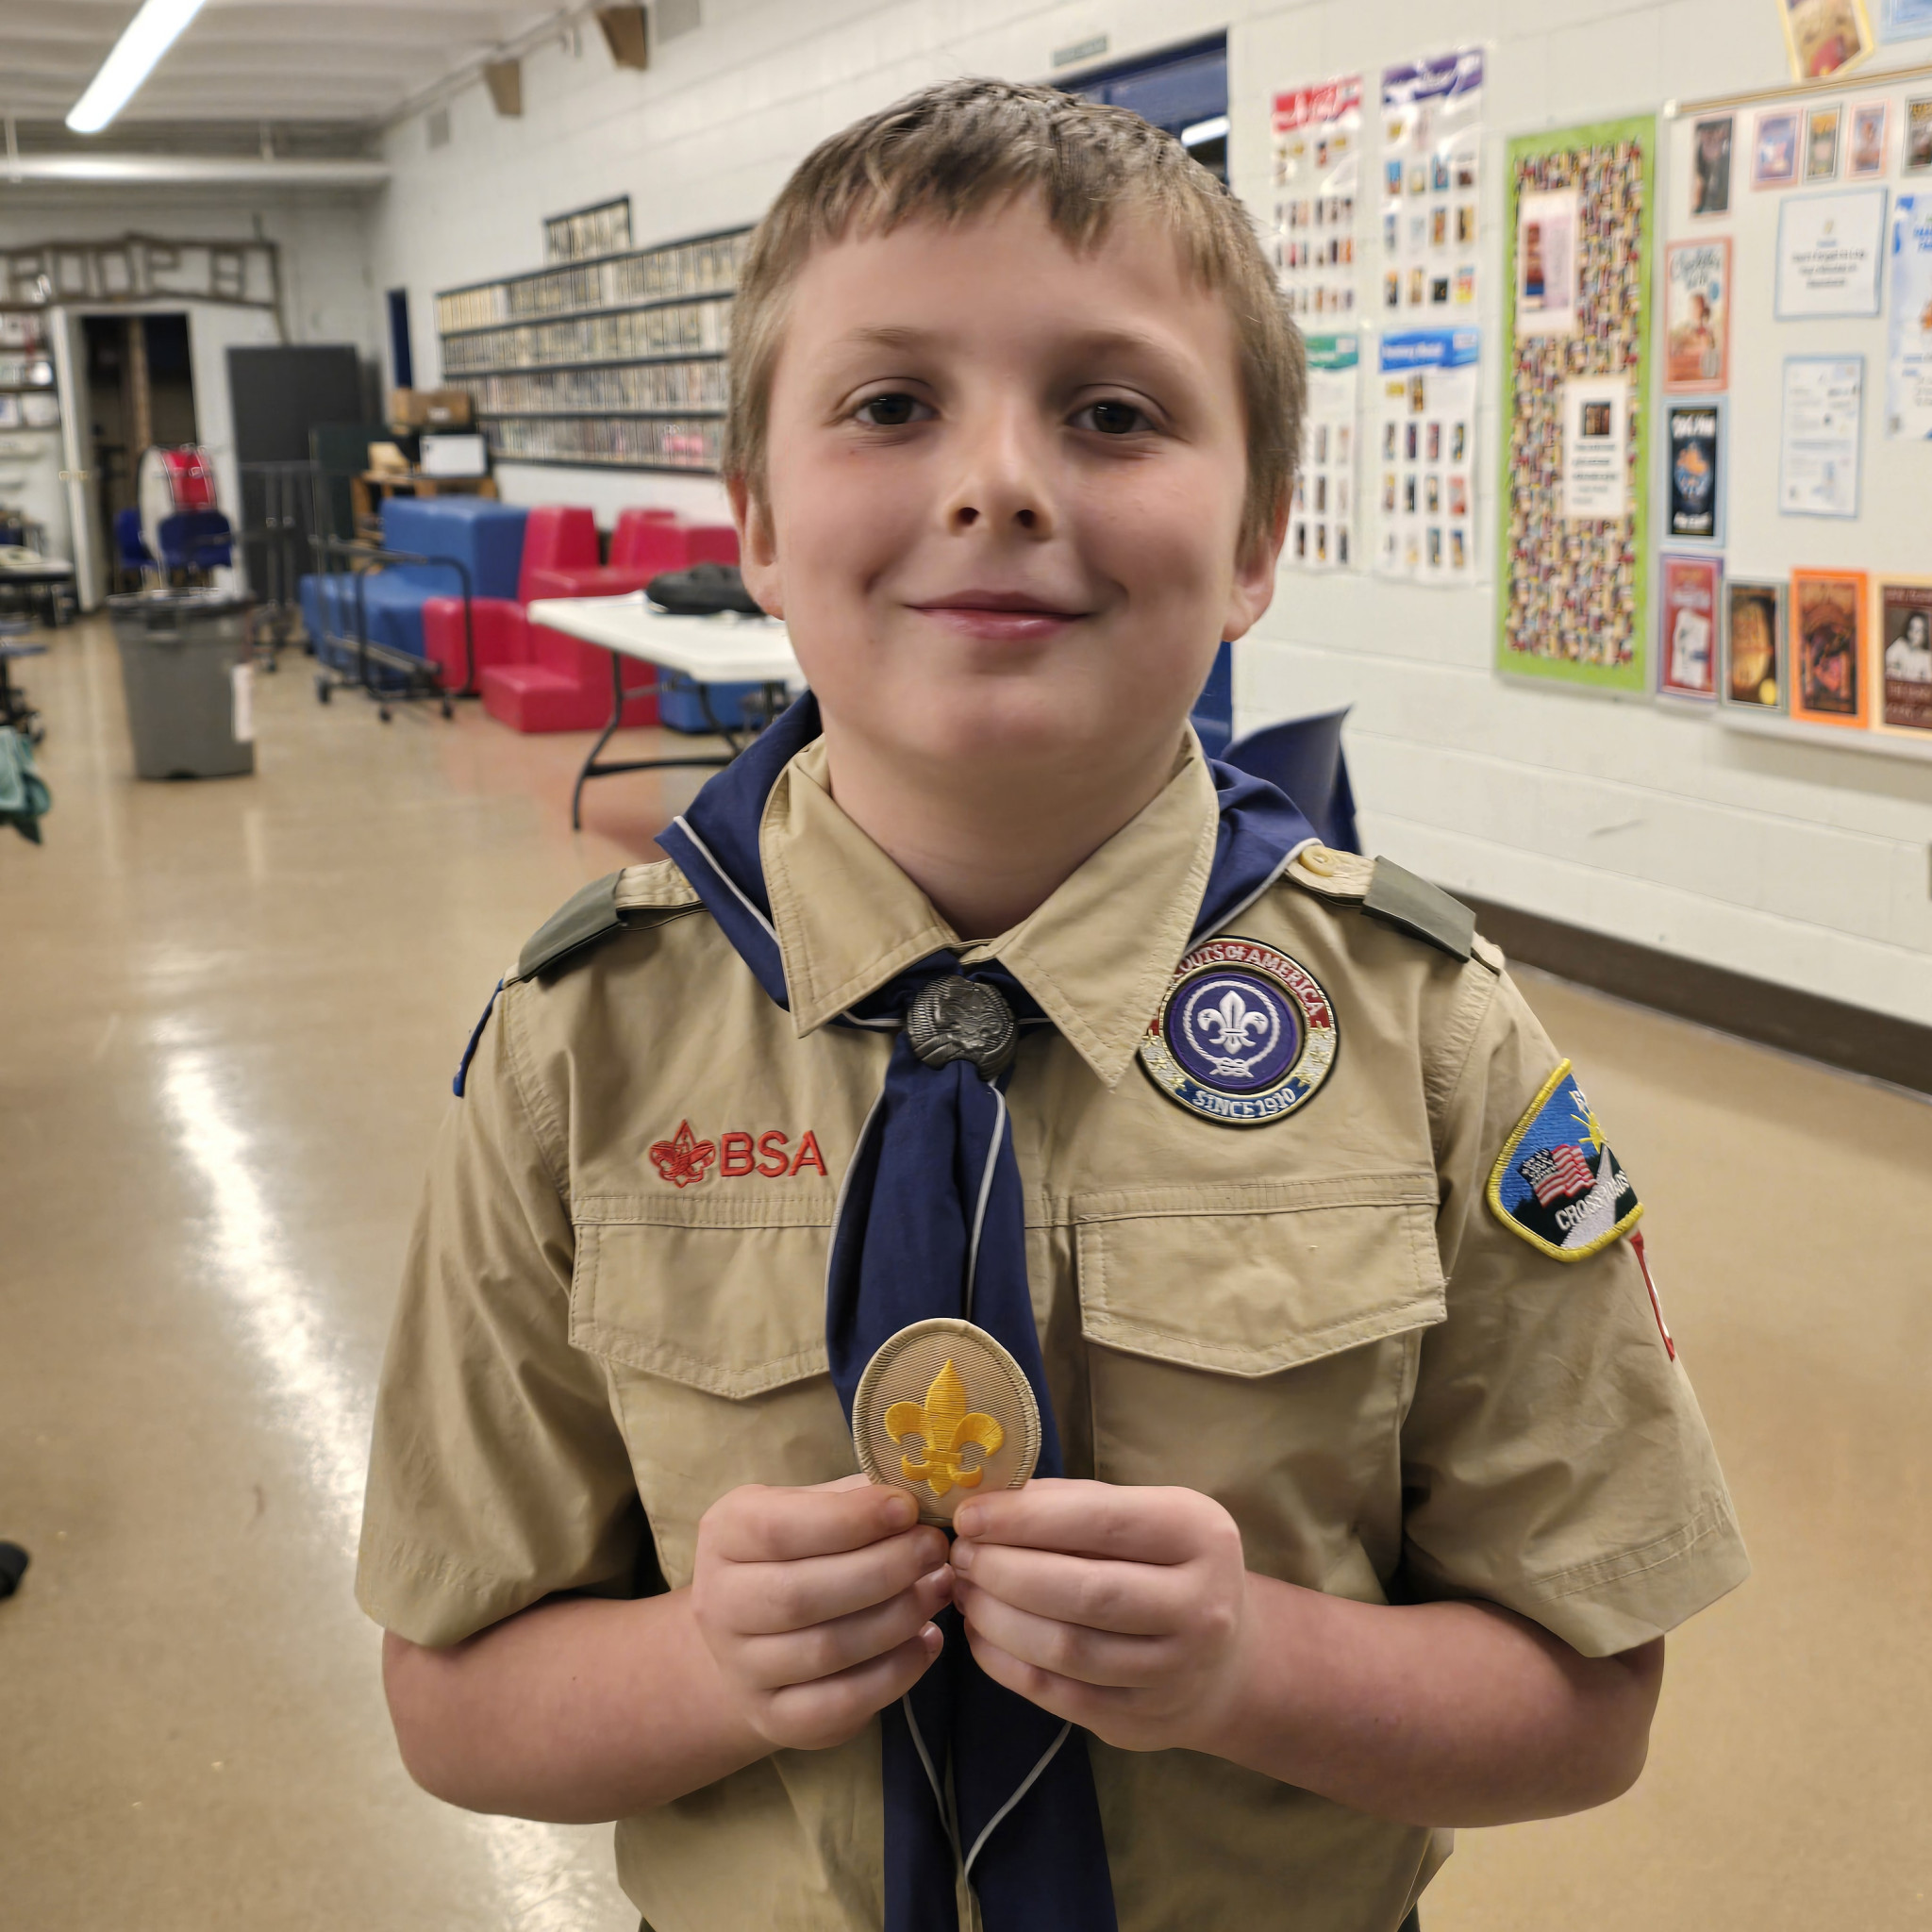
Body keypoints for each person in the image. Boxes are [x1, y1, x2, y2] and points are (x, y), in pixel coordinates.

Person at [358, 79, 1748, 1932]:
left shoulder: (1436, 1037)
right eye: (889, 405)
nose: (997, 481)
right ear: (755, 523)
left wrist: (1253, 1663)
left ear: (1255, 539)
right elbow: (451, 1702)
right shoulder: (576, 1048)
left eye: (1111, 412)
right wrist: (704, 1665)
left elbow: (1588, 1702)